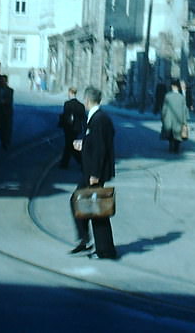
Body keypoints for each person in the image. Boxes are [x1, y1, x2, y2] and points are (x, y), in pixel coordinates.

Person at [70, 86, 118, 259]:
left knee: (92, 208)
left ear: (87, 101)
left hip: (94, 172)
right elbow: (96, 143)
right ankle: (100, 247)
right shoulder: (100, 118)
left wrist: (95, 174)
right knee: (96, 209)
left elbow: (100, 149)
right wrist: (84, 145)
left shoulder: (98, 119)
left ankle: (96, 246)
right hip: (92, 170)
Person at [58, 87, 86, 169]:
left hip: (68, 127)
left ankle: (81, 161)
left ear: (70, 93)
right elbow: (83, 118)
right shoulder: (81, 105)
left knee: (69, 145)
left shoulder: (67, 104)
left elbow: (66, 115)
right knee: (69, 145)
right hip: (77, 128)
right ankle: (64, 163)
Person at [160, 80, 189, 153]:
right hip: (179, 119)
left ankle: (171, 146)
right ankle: (176, 147)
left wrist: (162, 117)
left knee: (170, 134)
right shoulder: (181, 97)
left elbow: (164, 108)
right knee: (178, 134)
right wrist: (185, 120)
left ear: (172, 87)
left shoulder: (168, 96)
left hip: (169, 119)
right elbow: (184, 109)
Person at [0, 74, 15, 149]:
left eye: (4, 81)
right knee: (0, 127)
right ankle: (3, 141)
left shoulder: (10, 90)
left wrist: (3, 101)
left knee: (7, 128)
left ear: (6, 82)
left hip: (7, 112)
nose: (2, 82)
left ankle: (7, 142)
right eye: (1, 81)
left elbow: (9, 100)